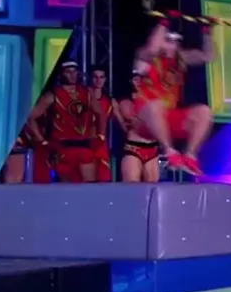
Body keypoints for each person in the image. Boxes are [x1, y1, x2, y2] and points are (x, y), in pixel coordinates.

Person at [133, 20, 213, 176]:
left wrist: (207, 32)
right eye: (169, 41)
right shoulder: (145, 56)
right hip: (144, 120)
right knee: (155, 105)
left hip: (167, 119)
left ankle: (189, 155)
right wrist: (163, 23)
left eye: (177, 42)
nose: (174, 45)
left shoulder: (179, 59)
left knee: (204, 112)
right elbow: (152, 48)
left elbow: (208, 56)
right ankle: (169, 151)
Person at [27, 61, 98, 183]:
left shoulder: (87, 92)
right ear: (61, 74)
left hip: (84, 146)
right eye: (68, 72)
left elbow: (99, 114)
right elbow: (30, 117)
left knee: (90, 186)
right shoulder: (52, 95)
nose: (72, 75)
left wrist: (99, 134)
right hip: (63, 148)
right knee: (66, 189)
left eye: (74, 71)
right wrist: (41, 140)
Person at [118, 74, 160, 183]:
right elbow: (133, 119)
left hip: (152, 148)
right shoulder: (126, 101)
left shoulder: (154, 100)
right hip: (134, 148)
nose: (139, 82)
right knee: (132, 187)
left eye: (142, 79)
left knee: (153, 186)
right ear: (131, 81)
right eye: (135, 79)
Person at [89, 67, 115, 182]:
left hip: (101, 146)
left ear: (105, 79)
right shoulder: (82, 99)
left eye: (101, 77)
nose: (98, 80)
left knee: (103, 181)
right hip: (85, 144)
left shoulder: (110, 102)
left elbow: (122, 123)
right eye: (95, 77)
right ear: (90, 78)